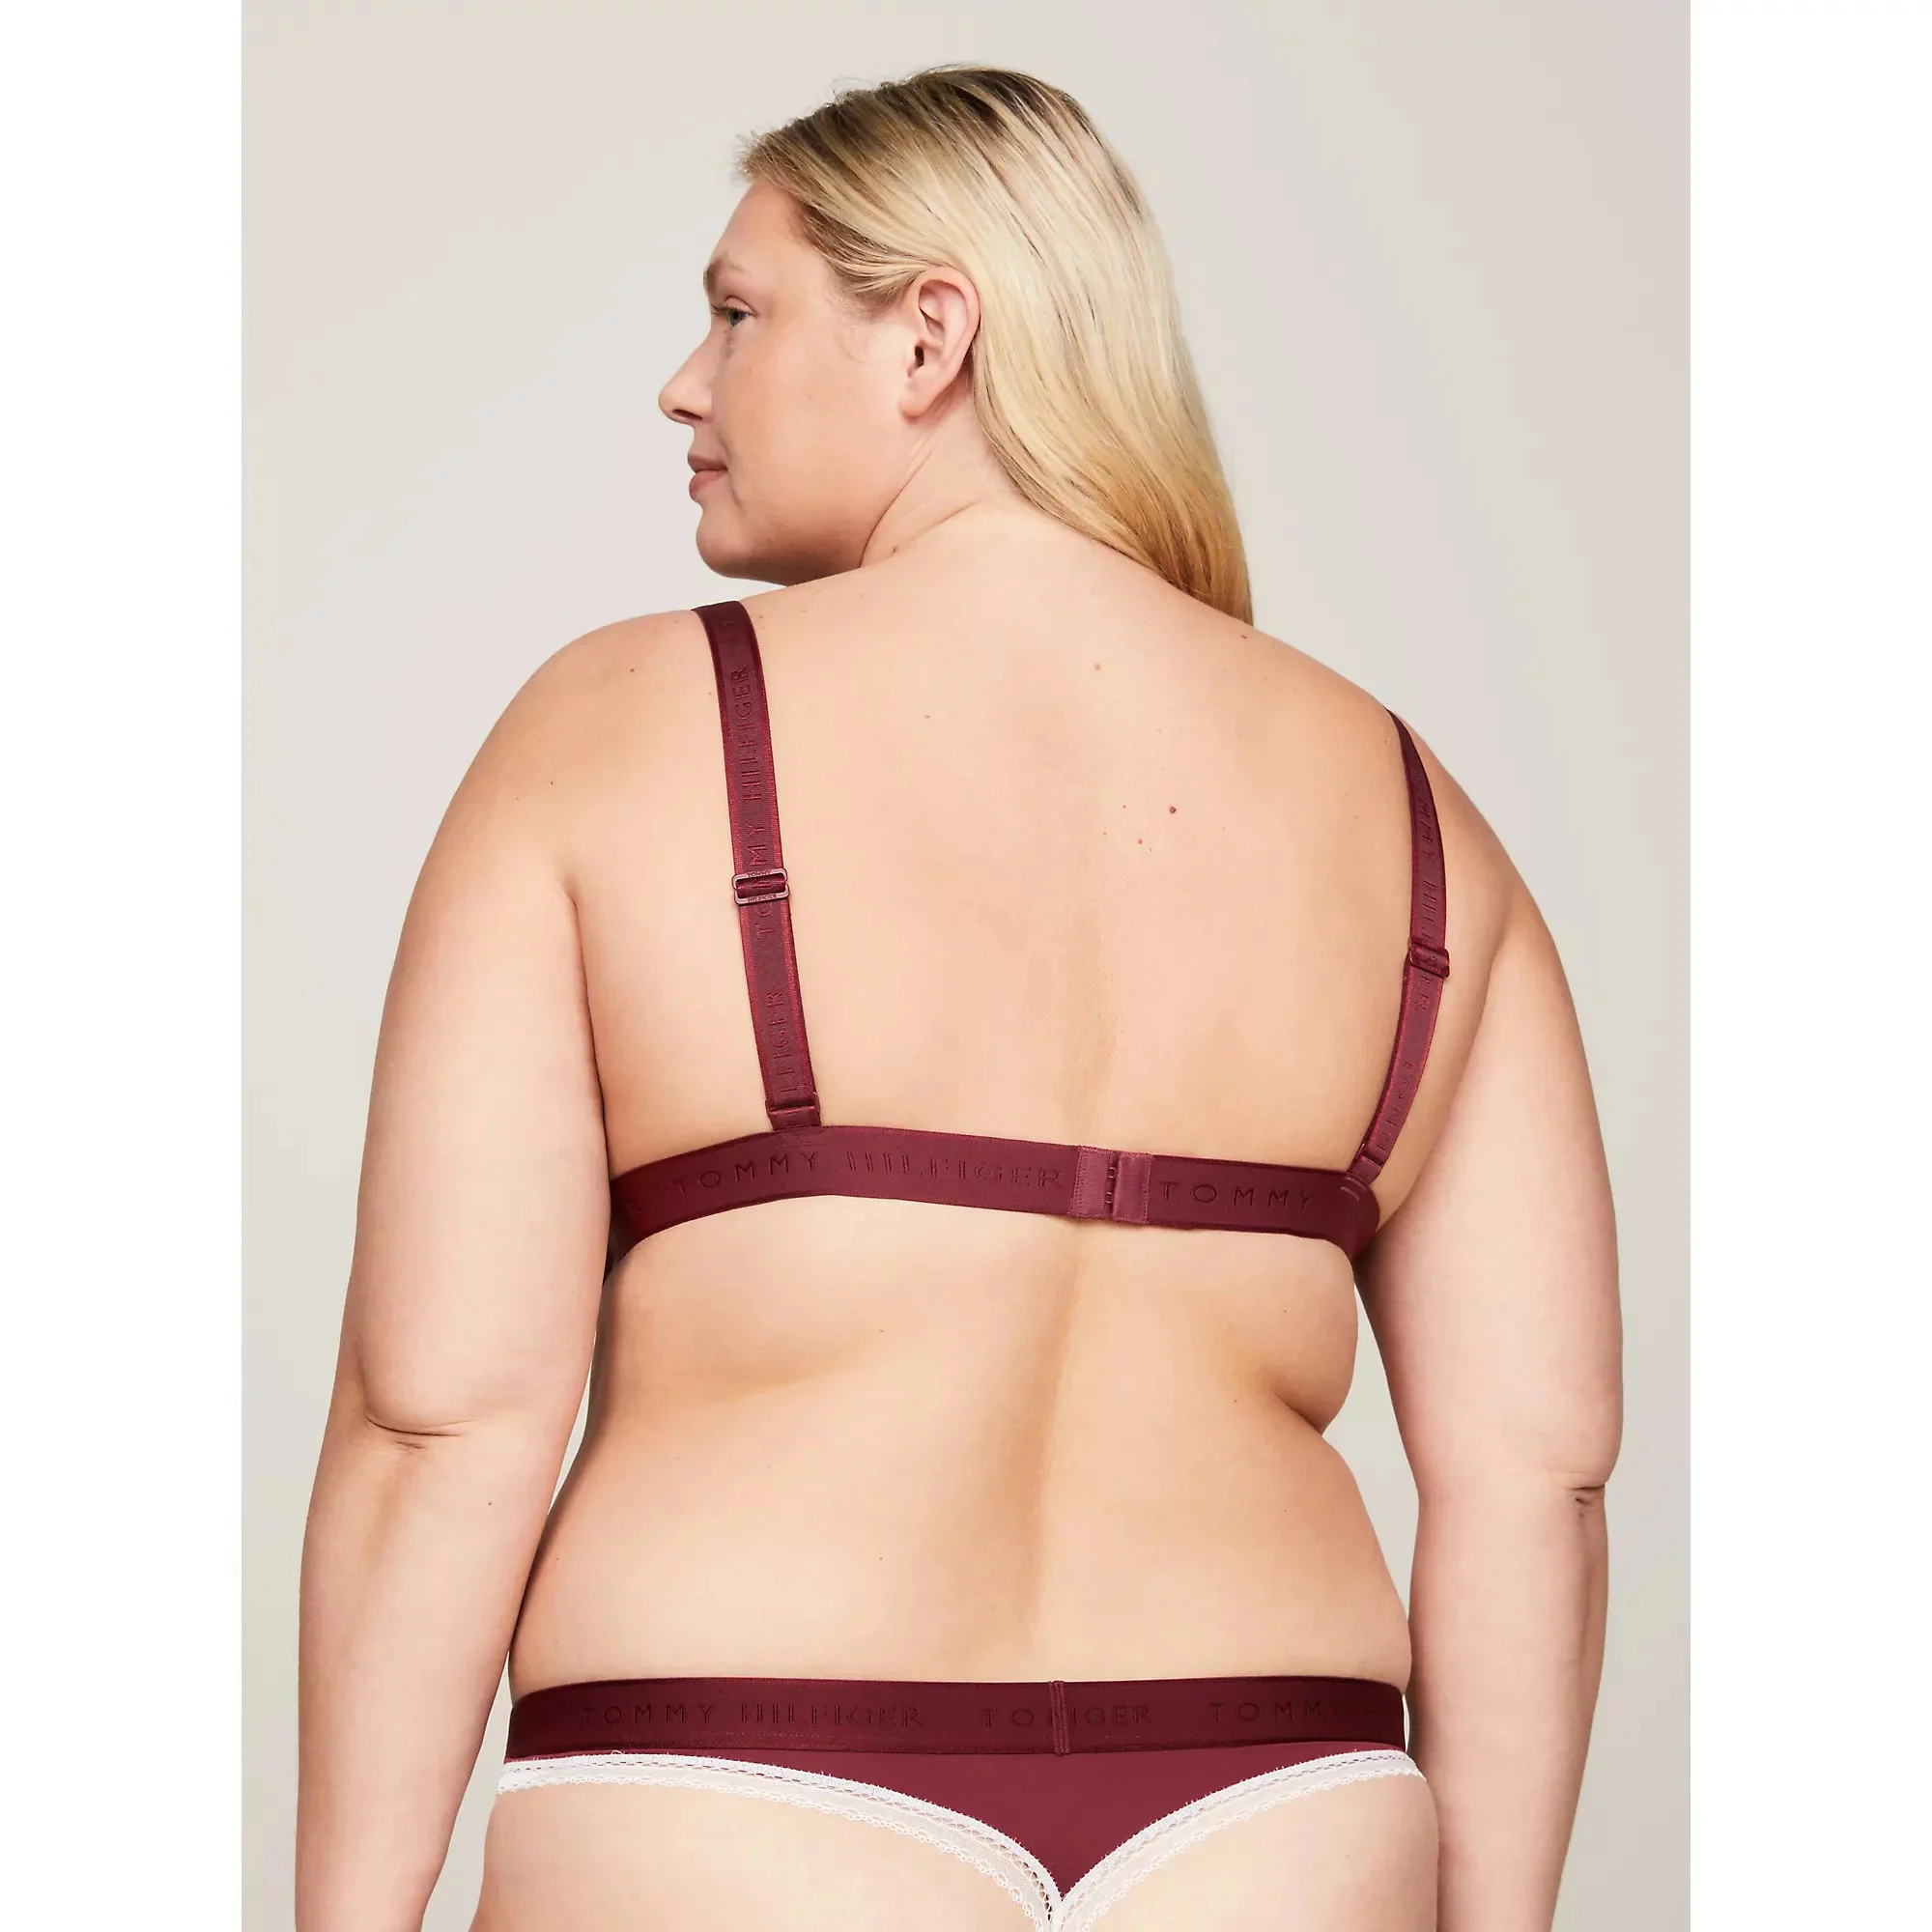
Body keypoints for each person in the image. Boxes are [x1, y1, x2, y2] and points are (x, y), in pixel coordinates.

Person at [297, 64, 1620, 1932]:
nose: (685, 383)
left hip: (735, 1793)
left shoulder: (615, 731)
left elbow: (438, 1422)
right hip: (1278, 1814)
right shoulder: (1421, 820)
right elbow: (1538, 1482)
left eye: (738, 313)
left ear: (932, 336)